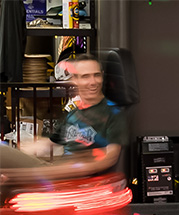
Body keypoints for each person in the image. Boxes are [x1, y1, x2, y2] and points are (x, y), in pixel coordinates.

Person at [1, 53, 126, 182]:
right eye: (85, 77)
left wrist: (75, 168)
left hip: (72, 178)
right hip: (58, 171)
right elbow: (50, 143)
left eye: (96, 75)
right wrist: (29, 147)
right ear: (75, 80)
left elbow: (110, 157)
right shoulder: (74, 113)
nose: (93, 82)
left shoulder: (113, 113)